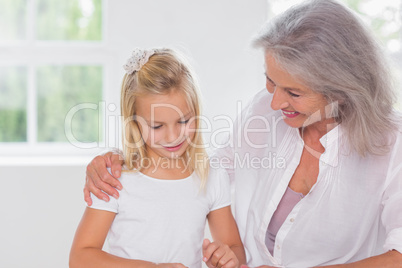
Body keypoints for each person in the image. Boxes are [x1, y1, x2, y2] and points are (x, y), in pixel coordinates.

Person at [83, 0, 402, 267]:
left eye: (293, 91)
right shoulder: (266, 109)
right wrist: (114, 160)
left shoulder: (392, 145)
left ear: (342, 89)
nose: (275, 101)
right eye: (270, 80)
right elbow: (214, 167)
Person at [70, 48, 246, 268]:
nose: (173, 137)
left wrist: (228, 259)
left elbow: (234, 249)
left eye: (184, 121)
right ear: (133, 122)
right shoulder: (115, 178)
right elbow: (81, 257)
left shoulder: (211, 176)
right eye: (157, 126)